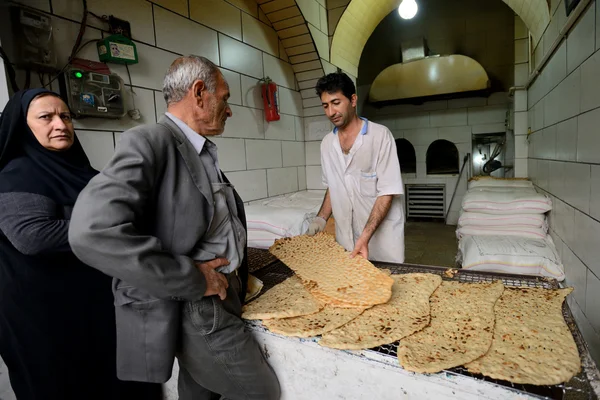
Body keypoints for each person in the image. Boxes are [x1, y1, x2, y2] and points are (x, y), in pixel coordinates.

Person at [68, 55, 280, 400]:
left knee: (200, 391)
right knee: (261, 391)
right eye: (224, 98)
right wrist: (192, 277)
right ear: (199, 93)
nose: (229, 109)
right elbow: (91, 232)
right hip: (201, 303)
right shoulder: (152, 141)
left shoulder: (197, 151)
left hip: (220, 296)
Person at [0, 88, 162, 399]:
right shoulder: (16, 176)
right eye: (46, 117)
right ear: (24, 126)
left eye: (65, 116)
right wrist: (117, 229)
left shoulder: (83, 173)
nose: (60, 124)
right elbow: (34, 236)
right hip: (47, 318)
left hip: (95, 307)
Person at [306, 72, 405, 263]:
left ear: (353, 100)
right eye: (325, 106)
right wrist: (320, 219)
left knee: (385, 288)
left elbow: (387, 191)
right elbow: (333, 187)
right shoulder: (327, 144)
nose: (330, 112)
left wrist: (365, 237)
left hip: (381, 240)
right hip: (347, 240)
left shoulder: (380, 136)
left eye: (336, 103)